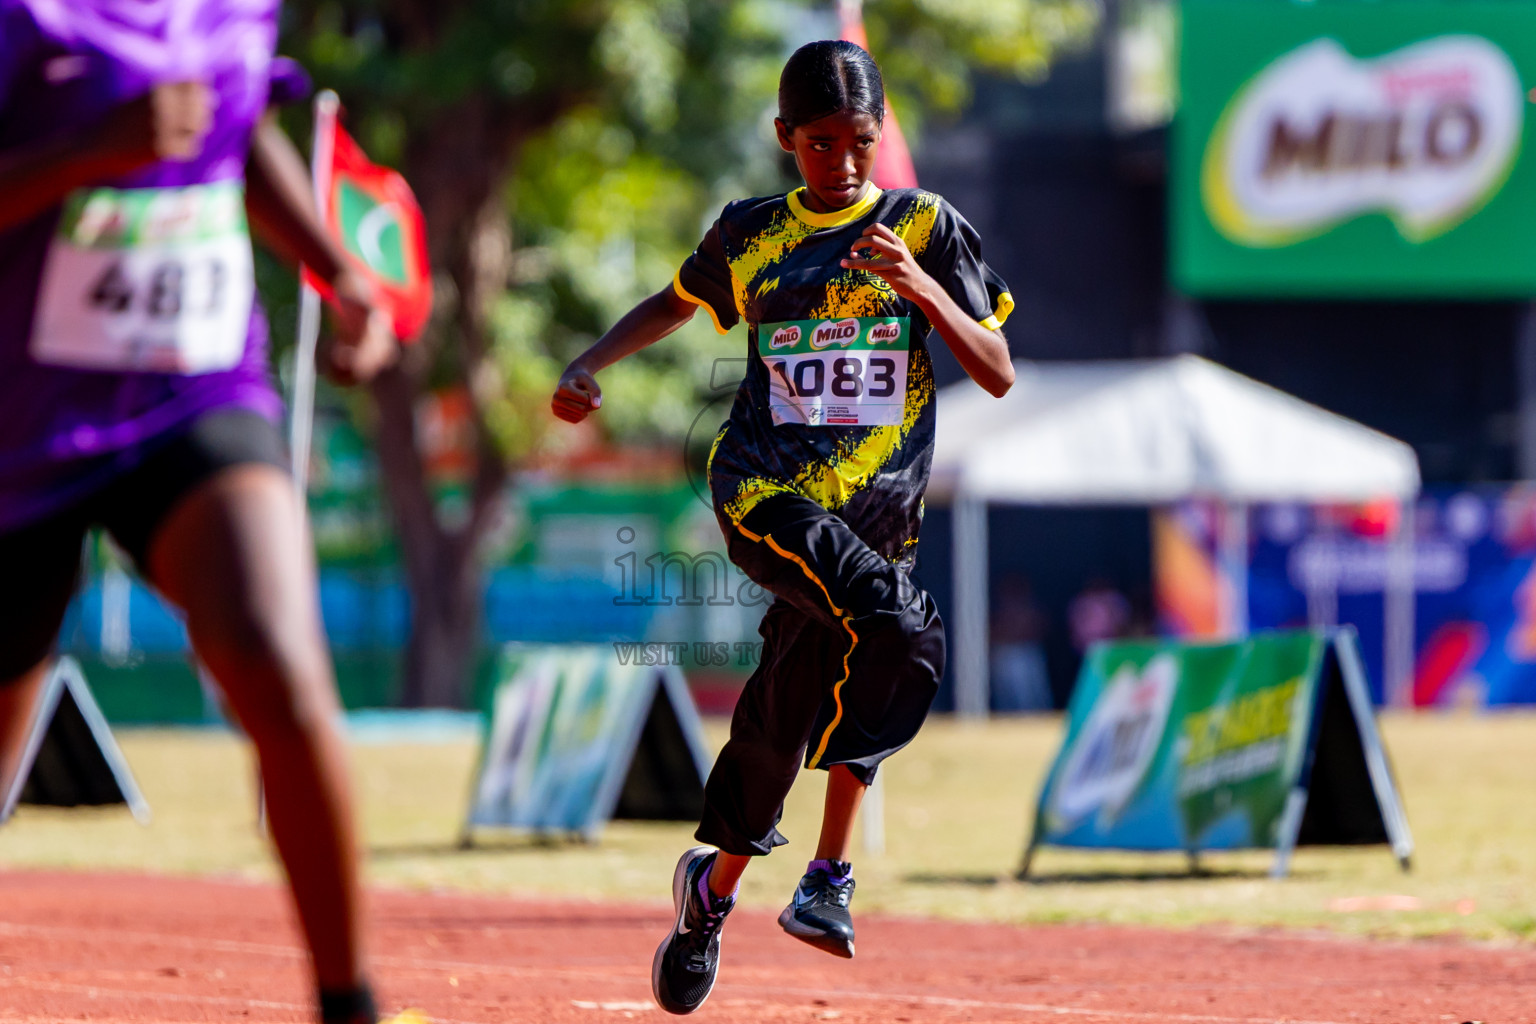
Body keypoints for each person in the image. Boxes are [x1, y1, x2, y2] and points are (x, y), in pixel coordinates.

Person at [551, 39, 1014, 1015]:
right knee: (903, 629)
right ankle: (827, 878)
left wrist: (922, 289)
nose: (841, 163)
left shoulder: (926, 226)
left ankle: (710, 890)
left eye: (857, 141)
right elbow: (676, 301)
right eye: (818, 142)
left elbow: (998, 367)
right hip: (765, 493)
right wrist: (590, 360)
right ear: (783, 139)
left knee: (792, 698)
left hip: (877, 518)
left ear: (880, 136)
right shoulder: (754, 234)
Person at [0, 3, 411, 1022]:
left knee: (275, 654)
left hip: (193, 388)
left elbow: (237, 130)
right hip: (17, 425)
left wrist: (336, 268)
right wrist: (86, 151)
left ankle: (348, 1003)